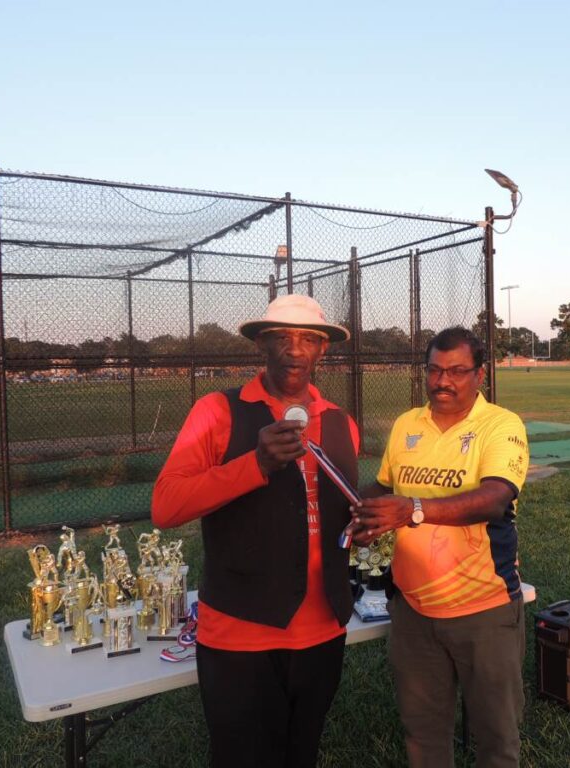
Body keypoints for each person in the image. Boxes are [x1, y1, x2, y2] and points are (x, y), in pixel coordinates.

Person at [152, 294, 359, 768]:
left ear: (322, 350)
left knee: (300, 755)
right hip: (240, 635)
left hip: (324, 631)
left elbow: (330, 513)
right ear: (261, 343)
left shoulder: (342, 423)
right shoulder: (218, 411)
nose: (295, 349)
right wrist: (256, 464)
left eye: (309, 338)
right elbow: (165, 507)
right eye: (282, 337)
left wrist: (359, 526)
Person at [353, 326, 530, 768]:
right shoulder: (407, 424)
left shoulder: (500, 425)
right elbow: (383, 485)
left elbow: (495, 497)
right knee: (424, 736)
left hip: (482, 610)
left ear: (480, 375)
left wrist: (411, 509)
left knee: (496, 740)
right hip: (412, 611)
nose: (442, 381)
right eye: (434, 369)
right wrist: (357, 508)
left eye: (456, 371)